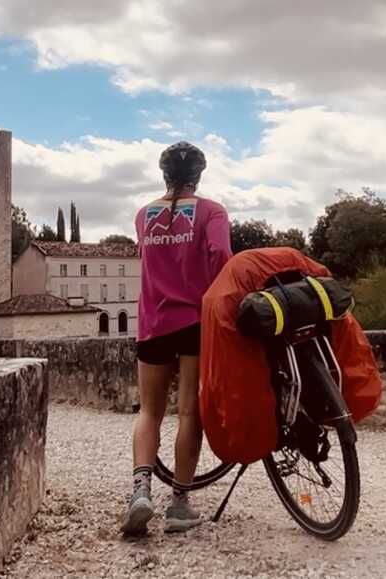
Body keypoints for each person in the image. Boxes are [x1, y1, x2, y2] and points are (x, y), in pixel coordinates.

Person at [121, 141, 232, 535]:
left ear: (163, 174)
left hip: (153, 322)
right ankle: (179, 504)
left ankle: (140, 492)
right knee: (189, 412)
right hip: (195, 323)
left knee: (149, 412)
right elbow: (222, 257)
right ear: (198, 176)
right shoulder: (212, 212)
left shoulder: (143, 215)